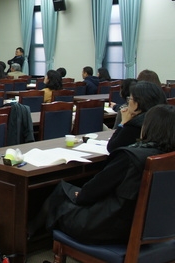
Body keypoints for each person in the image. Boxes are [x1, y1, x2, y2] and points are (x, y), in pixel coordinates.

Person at [28, 104, 175, 245]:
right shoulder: (167, 157)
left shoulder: (130, 157)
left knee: (61, 190)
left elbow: (91, 192)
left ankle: (29, 238)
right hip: (153, 227)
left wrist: (82, 194)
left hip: (110, 228)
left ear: (148, 127)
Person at [107, 81, 166, 153]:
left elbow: (112, 147)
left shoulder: (135, 126)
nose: (128, 102)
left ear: (139, 102)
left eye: (130, 99)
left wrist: (123, 123)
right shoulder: (164, 120)